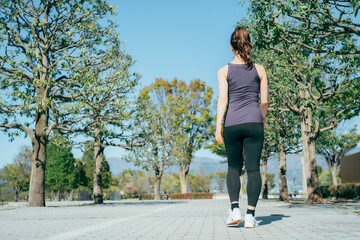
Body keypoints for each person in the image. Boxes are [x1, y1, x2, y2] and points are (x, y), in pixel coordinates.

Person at [215, 27, 269, 228]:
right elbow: (264, 101)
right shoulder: (260, 69)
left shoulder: (224, 70)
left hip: (232, 124)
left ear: (231, 47)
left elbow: (222, 100)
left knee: (234, 167)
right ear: (248, 44)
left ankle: (234, 209)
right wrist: (262, 118)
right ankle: (250, 216)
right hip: (254, 122)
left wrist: (218, 127)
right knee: (253, 169)